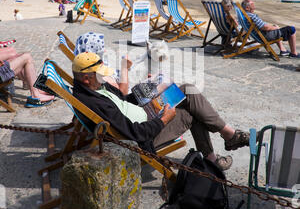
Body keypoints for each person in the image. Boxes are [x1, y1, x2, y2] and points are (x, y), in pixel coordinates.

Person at [72, 52, 250, 171]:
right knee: (192, 112)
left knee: (188, 89)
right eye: (100, 74)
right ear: (87, 78)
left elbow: (123, 102)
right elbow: (135, 133)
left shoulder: (96, 88)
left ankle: (225, 140)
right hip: (145, 137)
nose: (105, 77)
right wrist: (164, 119)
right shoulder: (94, 102)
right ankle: (221, 147)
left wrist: (150, 88)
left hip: (145, 116)